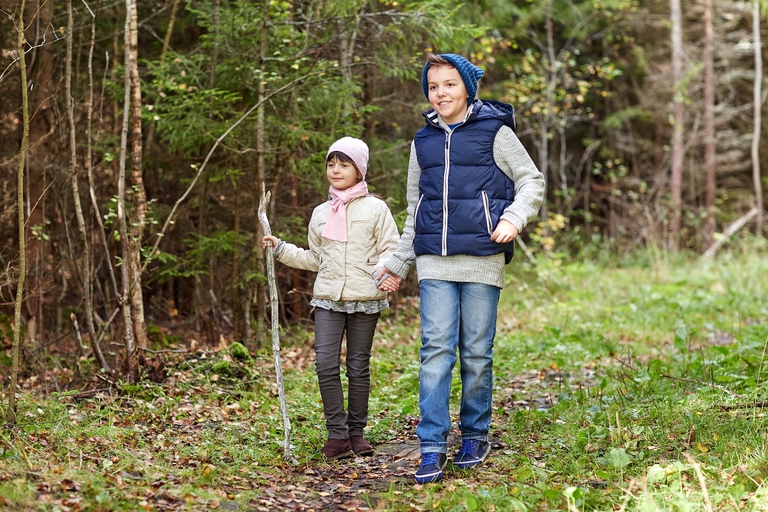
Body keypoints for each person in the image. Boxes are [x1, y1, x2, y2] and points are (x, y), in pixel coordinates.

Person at [378, 53, 546, 483]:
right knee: (435, 351)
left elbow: (531, 180)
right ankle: (432, 446)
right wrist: (399, 262)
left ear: (467, 89)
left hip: (482, 259)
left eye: (449, 84)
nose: (441, 93)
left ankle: (474, 434)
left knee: (475, 352)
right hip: (434, 261)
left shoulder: (496, 132)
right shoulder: (422, 142)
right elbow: (416, 208)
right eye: (433, 86)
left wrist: (513, 218)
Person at [263, 136, 401, 460]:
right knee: (325, 364)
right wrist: (281, 249)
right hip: (328, 298)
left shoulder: (376, 209)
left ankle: (356, 433)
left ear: (359, 170)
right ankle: (337, 436)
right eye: (331, 164)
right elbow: (315, 258)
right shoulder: (321, 213)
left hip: (365, 297)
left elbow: (391, 248)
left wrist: (385, 272)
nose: (336, 170)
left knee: (358, 366)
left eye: (343, 164)